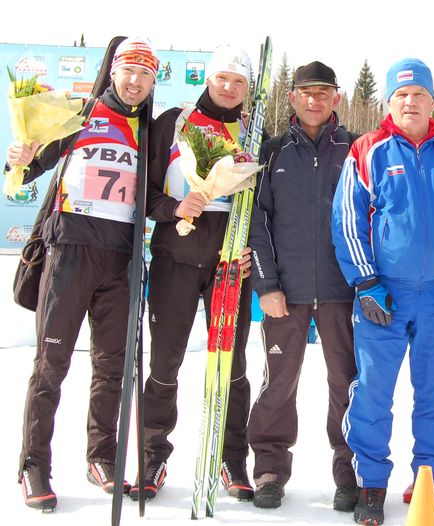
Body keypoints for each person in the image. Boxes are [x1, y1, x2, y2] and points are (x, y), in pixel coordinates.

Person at [332, 57, 434, 526]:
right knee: (372, 392)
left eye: (419, 94)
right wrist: (365, 282)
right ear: (389, 101)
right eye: (401, 95)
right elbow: (347, 222)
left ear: (431, 101)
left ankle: (430, 481)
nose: (411, 102)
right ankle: (371, 486)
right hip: (384, 293)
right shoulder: (367, 150)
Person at [5, 37, 157, 511]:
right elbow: (30, 169)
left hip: (121, 260)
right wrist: (20, 158)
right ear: (113, 72)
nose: (135, 82)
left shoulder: (150, 132)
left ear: (154, 81)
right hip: (70, 252)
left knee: (111, 367)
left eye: (145, 74)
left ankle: (101, 457)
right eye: (128, 70)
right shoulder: (79, 114)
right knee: (51, 366)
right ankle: (34, 464)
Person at [135, 45, 255, 501]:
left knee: (233, 366)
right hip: (175, 262)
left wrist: (251, 253)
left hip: (230, 268)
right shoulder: (174, 122)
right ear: (208, 78)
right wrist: (172, 208)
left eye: (238, 82)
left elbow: (263, 208)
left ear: (247, 89)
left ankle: (231, 459)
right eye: (222, 78)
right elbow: (142, 194)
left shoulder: (252, 131)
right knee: (165, 363)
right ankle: (152, 457)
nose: (228, 88)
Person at [246, 61, 359, 513]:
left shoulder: (355, 148)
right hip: (285, 293)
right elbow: (257, 222)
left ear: (337, 97)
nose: (314, 100)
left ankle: (349, 469)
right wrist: (266, 284)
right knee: (278, 383)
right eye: (305, 92)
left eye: (323, 92)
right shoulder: (272, 152)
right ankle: (270, 468)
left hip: (343, 290)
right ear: (291, 97)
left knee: (348, 384)